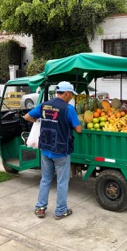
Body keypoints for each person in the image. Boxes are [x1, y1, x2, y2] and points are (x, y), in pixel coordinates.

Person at [23, 81, 82, 220]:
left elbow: (27, 116)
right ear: (66, 93)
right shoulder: (68, 108)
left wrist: (40, 121)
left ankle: (40, 208)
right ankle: (61, 211)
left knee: (45, 179)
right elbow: (78, 129)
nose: (71, 97)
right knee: (62, 182)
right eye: (71, 95)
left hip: (45, 150)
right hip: (61, 151)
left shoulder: (44, 105)